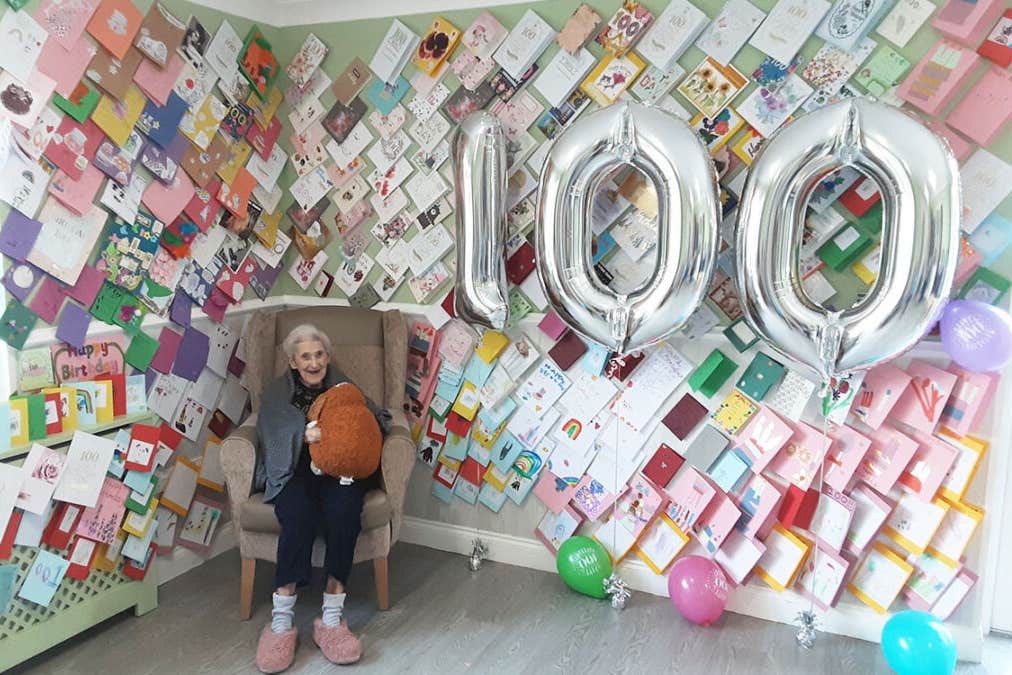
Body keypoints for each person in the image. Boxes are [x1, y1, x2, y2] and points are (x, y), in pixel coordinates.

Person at [253, 324, 390, 672]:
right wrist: (304, 433)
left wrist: (366, 431)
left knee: (345, 511)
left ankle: (331, 619)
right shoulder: (276, 392)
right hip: (294, 473)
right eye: (305, 356)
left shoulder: (343, 385)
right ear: (293, 361)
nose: (314, 362)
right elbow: (270, 432)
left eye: (319, 355)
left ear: (327, 357)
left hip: (338, 472)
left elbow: (373, 415)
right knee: (297, 515)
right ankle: (281, 622)